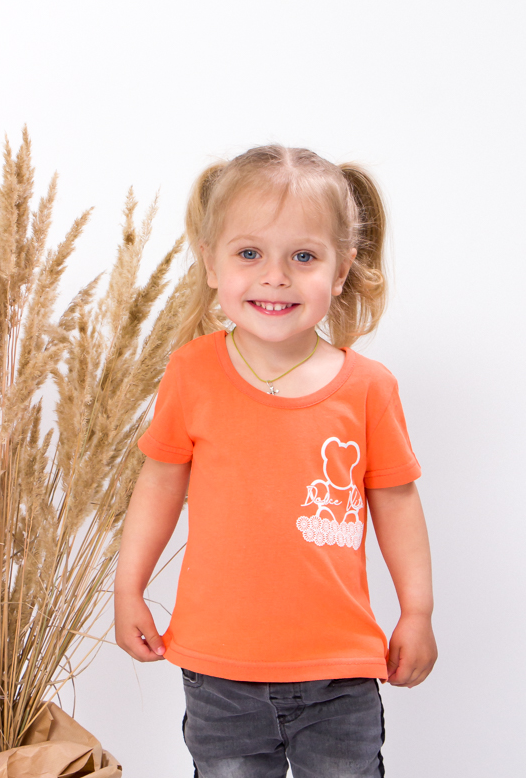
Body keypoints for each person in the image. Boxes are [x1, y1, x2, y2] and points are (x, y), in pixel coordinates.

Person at [114, 145, 438, 778]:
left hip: (340, 671)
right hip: (217, 673)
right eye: (249, 253)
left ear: (341, 270)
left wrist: (417, 611)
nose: (276, 277)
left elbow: (397, 502)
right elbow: (159, 484)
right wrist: (129, 588)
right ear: (211, 262)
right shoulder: (191, 373)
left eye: (304, 257)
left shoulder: (368, 388)